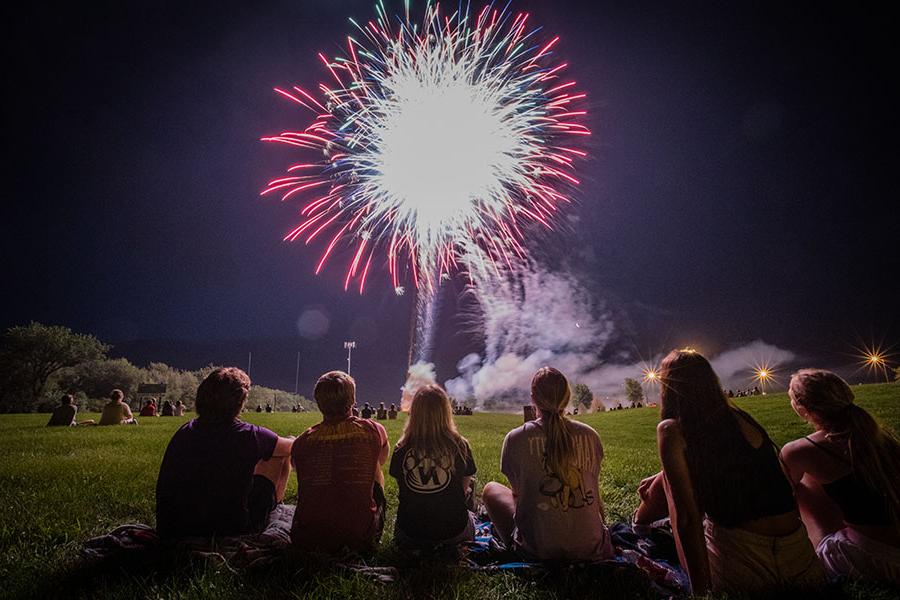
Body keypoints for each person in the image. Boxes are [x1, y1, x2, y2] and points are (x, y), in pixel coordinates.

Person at [634, 350, 822, 595]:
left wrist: (702, 593)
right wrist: (664, 473)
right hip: (801, 562)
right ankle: (641, 522)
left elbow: (688, 519)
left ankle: (639, 526)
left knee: (675, 493)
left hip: (745, 565)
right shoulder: (740, 418)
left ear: (668, 386)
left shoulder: (671, 430)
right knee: (668, 477)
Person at [780, 369, 900, 584]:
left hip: (878, 559)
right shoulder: (880, 437)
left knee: (800, 486)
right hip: (891, 546)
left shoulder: (802, 450)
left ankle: (813, 552)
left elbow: (780, 494)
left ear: (801, 408)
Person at [483, 367, 613, 561]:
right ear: (567, 397)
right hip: (591, 549)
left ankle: (515, 545)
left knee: (491, 490)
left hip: (538, 552)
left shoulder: (515, 438)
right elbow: (594, 490)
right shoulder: (590, 435)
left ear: (533, 398)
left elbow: (518, 494)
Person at [155, 367, 294, 538]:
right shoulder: (249, 435)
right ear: (239, 401)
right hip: (227, 530)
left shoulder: (185, 431)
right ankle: (275, 508)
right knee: (278, 455)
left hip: (175, 529)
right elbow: (292, 447)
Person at [291, 371, 389, 553]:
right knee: (373, 465)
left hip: (308, 539)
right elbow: (381, 459)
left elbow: (300, 470)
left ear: (319, 403)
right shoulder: (374, 430)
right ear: (352, 400)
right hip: (358, 538)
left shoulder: (302, 441)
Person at [390, 385, 476, 550]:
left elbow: (403, 485)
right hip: (454, 533)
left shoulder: (401, 448)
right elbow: (464, 488)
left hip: (410, 534)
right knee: (471, 483)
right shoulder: (460, 446)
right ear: (446, 411)